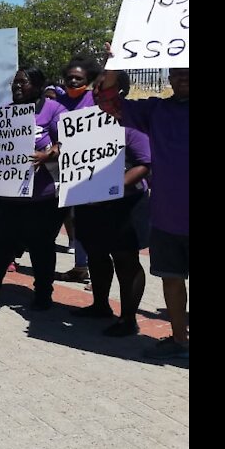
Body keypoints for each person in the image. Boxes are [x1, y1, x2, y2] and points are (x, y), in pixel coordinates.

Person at [96, 65, 189, 360]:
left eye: (189, 72)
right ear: (169, 77)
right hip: (167, 216)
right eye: (177, 73)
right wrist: (114, 63)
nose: (182, 78)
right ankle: (179, 340)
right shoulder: (156, 110)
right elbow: (108, 100)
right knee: (172, 280)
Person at [0, 67, 68, 311]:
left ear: (37, 86)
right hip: (7, 196)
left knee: (42, 247)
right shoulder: (4, 114)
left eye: (22, 83)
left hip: (42, 197)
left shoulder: (54, 110)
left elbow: (67, 140)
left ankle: (44, 294)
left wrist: (47, 154)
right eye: (14, 83)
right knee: (1, 244)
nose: (16, 87)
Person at [70, 71, 152, 337]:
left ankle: (128, 318)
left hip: (125, 204)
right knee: (95, 253)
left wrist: (114, 185)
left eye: (103, 90)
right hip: (91, 201)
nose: (96, 94)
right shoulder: (84, 123)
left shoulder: (131, 124)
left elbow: (144, 163)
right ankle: (100, 305)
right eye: (94, 90)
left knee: (125, 259)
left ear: (120, 92)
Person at [55, 57, 103, 282]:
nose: (73, 81)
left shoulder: (95, 98)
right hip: (64, 169)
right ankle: (80, 266)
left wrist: (109, 60)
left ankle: (98, 273)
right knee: (75, 220)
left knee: (92, 223)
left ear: (88, 80)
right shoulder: (58, 100)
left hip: (92, 169)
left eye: (79, 78)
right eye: (70, 78)